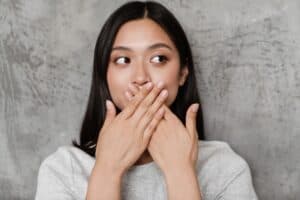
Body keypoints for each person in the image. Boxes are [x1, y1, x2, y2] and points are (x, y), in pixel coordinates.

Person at [35, 1, 258, 199]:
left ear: (183, 72)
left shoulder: (225, 167)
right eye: (123, 60)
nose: (140, 77)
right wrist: (108, 170)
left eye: (158, 58)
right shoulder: (63, 170)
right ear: (105, 74)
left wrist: (179, 171)